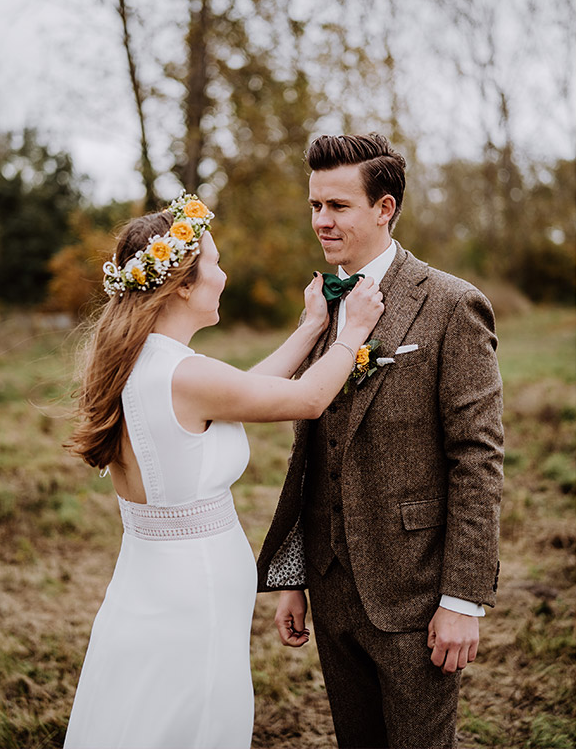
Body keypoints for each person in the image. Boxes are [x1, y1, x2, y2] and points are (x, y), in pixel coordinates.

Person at [63, 194, 384, 748]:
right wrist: (351, 332)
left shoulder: (143, 363)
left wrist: (311, 328)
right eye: (213, 262)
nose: (224, 273)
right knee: (196, 724)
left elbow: (245, 394)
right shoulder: (183, 373)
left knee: (143, 713)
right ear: (182, 285)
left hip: (149, 583)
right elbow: (306, 398)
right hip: (194, 594)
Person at [256, 133, 504, 749]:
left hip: (415, 589)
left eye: (337, 206)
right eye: (315, 205)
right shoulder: (321, 306)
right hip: (331, 581)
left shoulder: (451, 305)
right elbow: (309, 451)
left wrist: (463, 600)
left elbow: (477, 457)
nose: (320, 220)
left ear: (384, 208)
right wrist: (294, 574)